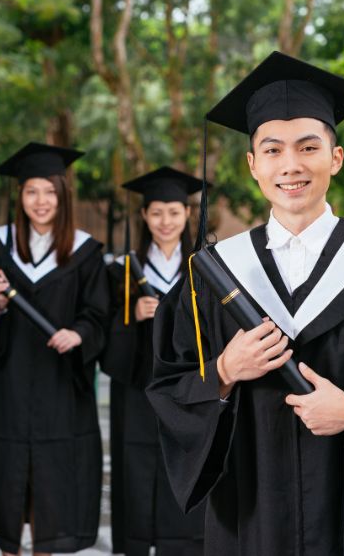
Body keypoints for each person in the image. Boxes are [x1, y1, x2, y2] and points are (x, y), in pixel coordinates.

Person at [147, 51, 344, 555]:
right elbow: (167, 386)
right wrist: (224, 369)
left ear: (335, 157)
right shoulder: (214, 274)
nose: (291, 165)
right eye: (272, 150)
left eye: (308, 147)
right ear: (252, 165)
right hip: (250, 516)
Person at [0, 142, 110, 555]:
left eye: (50, 191)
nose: (40, 201)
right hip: (8, 384)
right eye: (32, 191)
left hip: (60, 387)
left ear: (62, 196)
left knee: (52, 490)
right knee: (8, 483)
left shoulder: (85, 252)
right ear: (19, 196)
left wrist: (80, 334)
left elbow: (99, 313)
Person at [102, 166, 206, 556]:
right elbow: (104, 339)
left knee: (185, 462)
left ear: (186, 215)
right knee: (135, 467)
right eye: (157, 212)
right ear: (144, 216)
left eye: (174, 212)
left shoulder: (204, 268)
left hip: (187, 389)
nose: (166, 221)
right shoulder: (121, 271)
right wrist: (130, 317)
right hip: (136, 392)